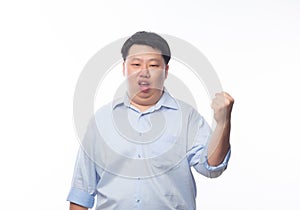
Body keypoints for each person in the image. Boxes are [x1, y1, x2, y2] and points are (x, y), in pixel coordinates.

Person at [67, 31, 234, 210]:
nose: (144, 72)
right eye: (136, 64)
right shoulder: (101, 120)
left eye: (153, 65)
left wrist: (223, 123)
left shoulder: (187, 117)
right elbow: (82, 192)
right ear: (124, 68)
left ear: (166, 71)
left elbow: (212, 167)